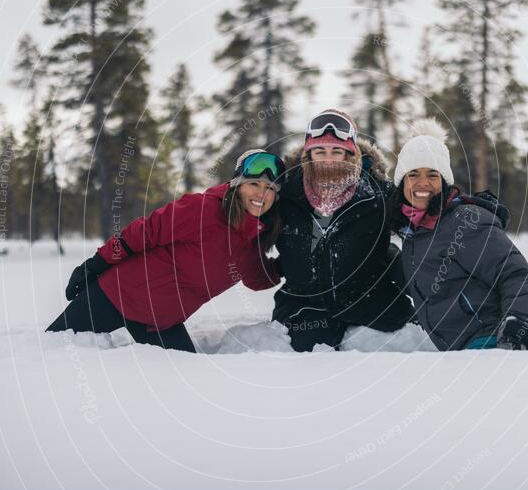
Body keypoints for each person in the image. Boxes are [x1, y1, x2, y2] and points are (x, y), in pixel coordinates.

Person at [46, 150, 285, 351]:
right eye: (254, 183)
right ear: (236, 185)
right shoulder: (204, 209)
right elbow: (144, 231)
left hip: (161, 323)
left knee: (185, 380)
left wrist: (285, 267)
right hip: (116, 296)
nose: (261, 194)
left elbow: (256, 278)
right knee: (52, 350)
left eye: (270, 188)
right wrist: (97, 262)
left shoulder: (251, 243)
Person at [390, 119, 528, 351]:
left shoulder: (465, 220)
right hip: (468, 349)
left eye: (433, 175)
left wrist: (517, 322)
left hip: (505, 341)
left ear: (444, 181)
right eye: (413, 174)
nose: (423, 182)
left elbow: (515, 273)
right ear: (401, 182)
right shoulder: (416, 235)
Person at [273, 109, 413, 352]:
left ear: (352, 154)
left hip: (373, 302)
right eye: (320, 151)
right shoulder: (285, 194)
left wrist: (470, 208)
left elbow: (424, 211)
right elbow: (242, 207)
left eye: (337, 151)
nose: (328, 159)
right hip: (304, 306)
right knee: (307, 359)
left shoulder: (380, 194)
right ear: (308, 155)